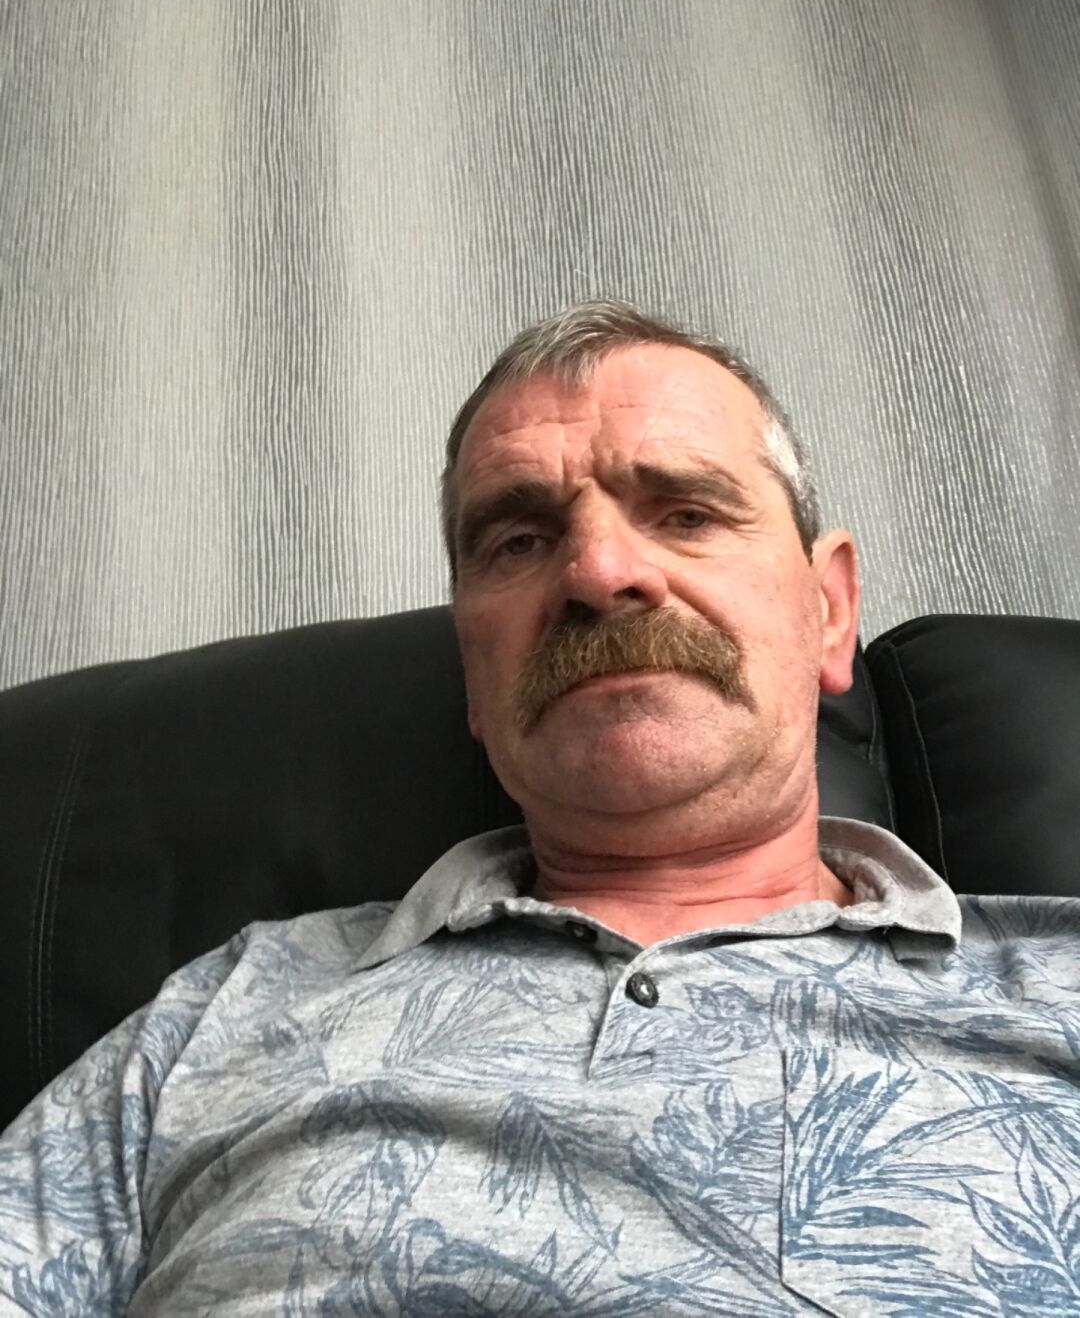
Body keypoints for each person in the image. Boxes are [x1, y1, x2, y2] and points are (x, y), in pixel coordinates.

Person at [1, 299, 1078, 1316]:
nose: (599, 571)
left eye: (687, 512)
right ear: (475, 675)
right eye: (518, 540)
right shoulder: (226, 1010)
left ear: (828, 609)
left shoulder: (1058, 994)